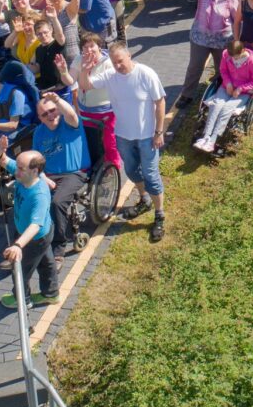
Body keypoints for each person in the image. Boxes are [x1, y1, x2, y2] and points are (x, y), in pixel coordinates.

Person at [78, 42, 167, 243]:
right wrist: (84, 69)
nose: (118, 66)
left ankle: (159, 214)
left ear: (129, 56)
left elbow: (160, 101)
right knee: (133, 171)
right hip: (123, 136)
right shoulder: (110, 77)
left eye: (120, 61)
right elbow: (85, 85)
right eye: (114, 62)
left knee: (151, 175)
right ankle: (145, 200)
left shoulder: (146, 74)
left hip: (147, 137)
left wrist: (158, 131)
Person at [27, 88, 93, 261]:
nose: (50, 115)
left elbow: (70, 112)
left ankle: (59, 246)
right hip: (48, 174)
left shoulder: (70, 123)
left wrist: (57, 101)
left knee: (57, 202)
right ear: (39, 118)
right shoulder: (39, 132)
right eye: (44, 114)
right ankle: (27, 241)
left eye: (52, 110)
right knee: (28, 197)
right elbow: (35, 160)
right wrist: (43, 177)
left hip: (74, 173)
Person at [0, 147, 60, 308]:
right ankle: (50, 294)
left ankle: (22, 300)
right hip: (42, 235)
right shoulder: (23, 175)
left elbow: (35, 225)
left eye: (21, 168)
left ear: (35, 171)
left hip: (34, 239)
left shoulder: (39, 195)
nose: (15, 170)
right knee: (46, 262)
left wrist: (18, 245)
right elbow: (2, 160)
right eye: (17, 166)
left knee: (20, 271)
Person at [177, 0, 239, 108]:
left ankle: (218, 92)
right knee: (194, 67)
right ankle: (187, 95)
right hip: (200, 38)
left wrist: (237, 40)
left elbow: (237, 20)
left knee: (221, 69)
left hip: (222, 41)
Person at [194, 38, 253, 152]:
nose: (233, 59)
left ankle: (213, 140)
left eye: (235, 57)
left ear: (243, 51)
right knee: (216, 105)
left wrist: (240, 88)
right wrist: (228, 83)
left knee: (226, 109)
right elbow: (223, 70)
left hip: (243, 92)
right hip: (227, 87)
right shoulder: (226, 55)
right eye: (231, 57)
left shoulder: (252, 61)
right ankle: (205, 137)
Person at [72, 35, 121, 169]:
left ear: (99, 46)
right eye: (85, 47)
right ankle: (91, 166)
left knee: (109, 141)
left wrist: (85, 70)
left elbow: (86, 85)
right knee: (89, 139)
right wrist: (63, 71)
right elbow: (70, 80)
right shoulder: (79, 59)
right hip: (85, 110)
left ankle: (113, 167)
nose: (88, 50)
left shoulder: (108, 63)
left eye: (92, 46)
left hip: (106, 111)